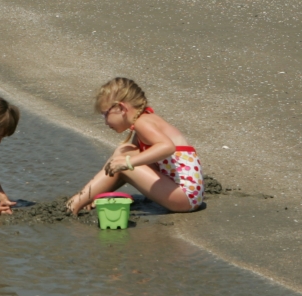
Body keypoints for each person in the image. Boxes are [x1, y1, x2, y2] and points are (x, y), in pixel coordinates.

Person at [66, 78, 205, 215]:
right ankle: (90, 196)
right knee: (123, 152)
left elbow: (167, 147)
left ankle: (73, 205)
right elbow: (118, 168)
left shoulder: (142, 123)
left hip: (185, 197)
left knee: (124, 163)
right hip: (186, 194)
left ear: (121, 108)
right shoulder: (143, 121)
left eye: (105, 114)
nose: (105, 122)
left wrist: (128, 163)